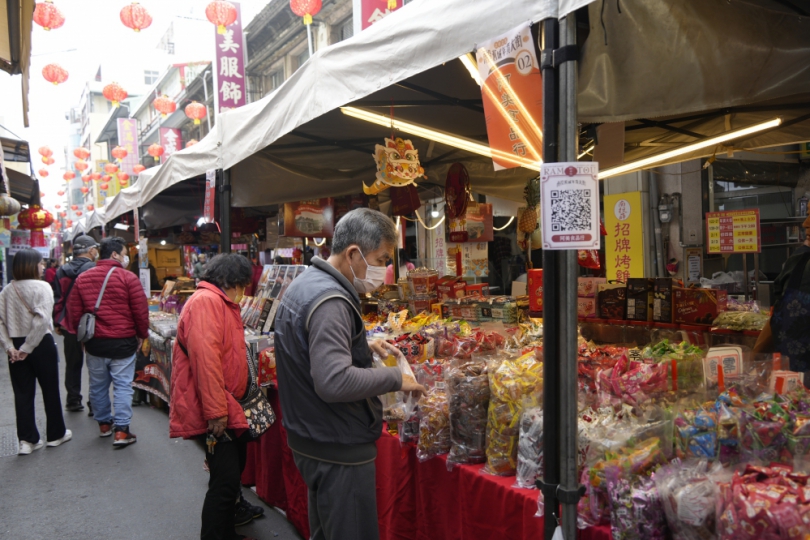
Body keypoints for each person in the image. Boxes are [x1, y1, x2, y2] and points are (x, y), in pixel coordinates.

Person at [274, 208, 426, 540]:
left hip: (311, 438)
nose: (385, 268)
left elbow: (307, 348)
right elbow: (333, 381)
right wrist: (395, 379)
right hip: (336, 445)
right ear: (353, 253)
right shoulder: (330, 300)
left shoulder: (306, 284)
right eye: (381, 258)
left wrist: (362, 346)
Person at [168, 254, 261, 540]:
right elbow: (206, 361)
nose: (244, 292)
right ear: (233, 281)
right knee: (225, 480)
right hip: (215, 407)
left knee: (227, 476)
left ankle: (225, 532)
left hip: (226, 402)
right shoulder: (207, 302)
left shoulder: (215, 301)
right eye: (244, 285)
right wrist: (216, 412)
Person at [67, 237, 149, 447]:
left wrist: (81, 338)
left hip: (95, 343)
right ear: (114, 255)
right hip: (123, 342)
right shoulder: (128, 278)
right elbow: (140, 312)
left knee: (98, 385)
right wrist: (142, 335)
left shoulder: (83, 278)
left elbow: (74, 313)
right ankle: (121, 431)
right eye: (124, 254)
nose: (125, 258)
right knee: (123, 386)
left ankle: (104, 425)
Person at [0, 249, 72, 454]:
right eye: (40, 264)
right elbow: (41, 321)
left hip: (15, 344)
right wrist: (27, 348)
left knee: (22, 393)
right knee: (50, 389)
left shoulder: (6, 290)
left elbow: (1, 323)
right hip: (40, 344)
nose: (43, 267)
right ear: (31, 265)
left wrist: (11, 348)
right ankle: (56, 435)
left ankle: (27, 440)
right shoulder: (42, 287)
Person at [756, 213, 810, 384]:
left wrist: (754, 360)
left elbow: (783, 317)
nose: (805, 223)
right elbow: (781, 315)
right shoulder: (801, 261)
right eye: (808, 214)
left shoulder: (803, 264)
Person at [53, 235, 98, 413]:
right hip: (90, 323)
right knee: (94, 363)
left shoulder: (62, 270)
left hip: (68, 322)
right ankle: (94, 403)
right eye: (95, 248)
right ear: (90, 250)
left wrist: (57, 321)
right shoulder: (94, 269)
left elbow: (59, 299)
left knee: (72, 363)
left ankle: (73, 400)